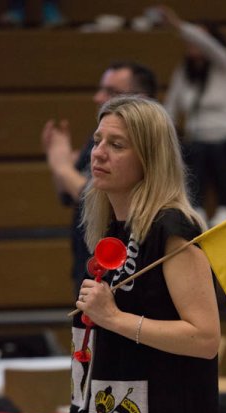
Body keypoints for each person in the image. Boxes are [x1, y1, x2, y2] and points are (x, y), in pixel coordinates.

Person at [67, 95, 221, 413]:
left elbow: (205, 337)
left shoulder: (172, 229)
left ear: (149, 157)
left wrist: (115, 317)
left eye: (117, 145)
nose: (98, 153)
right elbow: (98, 344)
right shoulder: (111, 233)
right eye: (97, 141)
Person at [41, 61, 157, 295]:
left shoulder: (154, 144)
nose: (98, 97)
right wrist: (57, 159)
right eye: (98, 142)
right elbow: (68, 195)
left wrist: (63, 168)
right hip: (89, 259)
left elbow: (97, 193)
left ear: (140, 100)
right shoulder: (100, 139)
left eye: (111, 91)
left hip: (125, 267)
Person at [158, 5, 226, 227]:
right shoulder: (183, 72)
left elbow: (210, 46)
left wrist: (178, 26)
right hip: (198, 142)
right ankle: (196, 209)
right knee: (196, 149)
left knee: (216, 149)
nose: (193, 41)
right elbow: (170, 108)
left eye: (199, 37)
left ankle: (225, 208)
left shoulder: (224, 64)